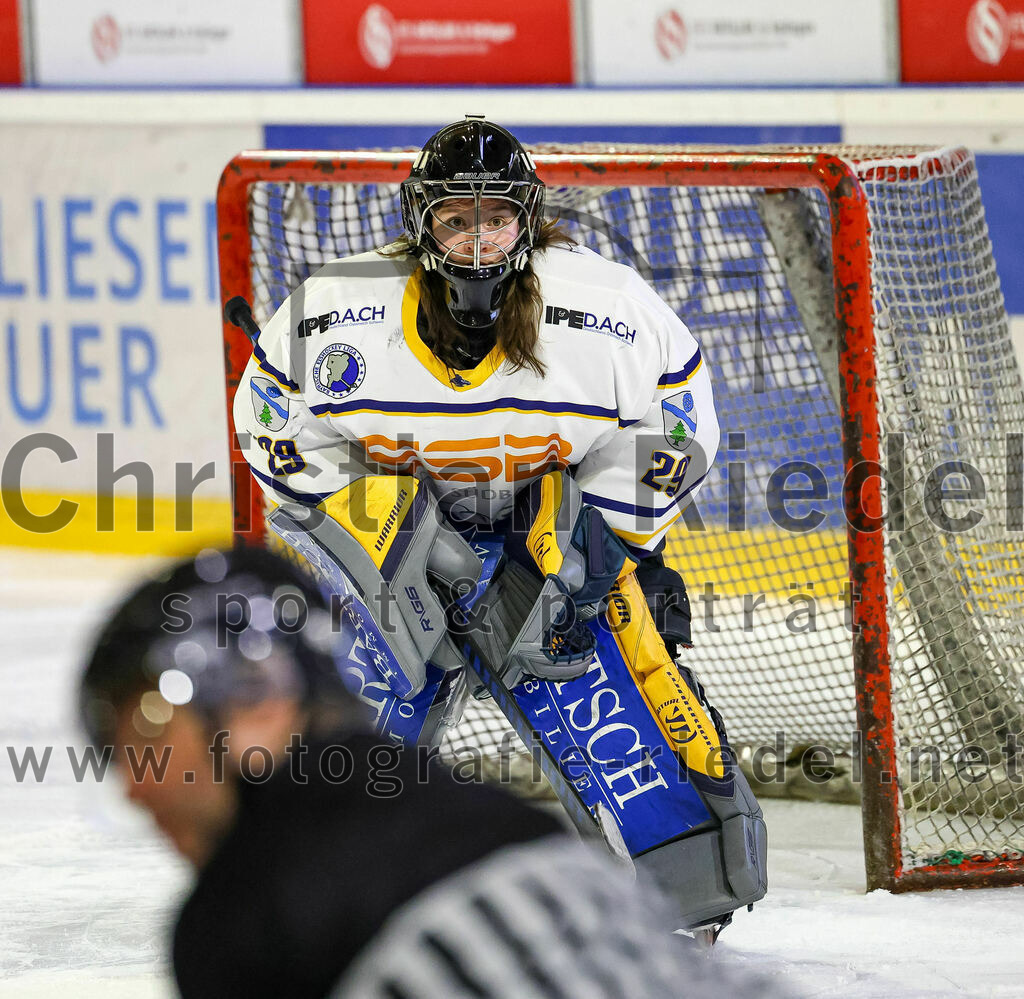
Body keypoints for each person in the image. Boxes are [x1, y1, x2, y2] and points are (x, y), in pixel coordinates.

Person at [232, 115, 767, 933]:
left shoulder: (606, 309)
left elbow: (684, 424)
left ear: (528, 220)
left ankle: (682, 885)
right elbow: (272, 428)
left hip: (543, 543)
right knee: (351, 713)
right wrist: (378, 535)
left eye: (494, 218)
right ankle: (313, 889)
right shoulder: (333, 314)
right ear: (421, 224)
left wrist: (603, 544)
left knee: (609, 702)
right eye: (455, 219)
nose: (476, 239)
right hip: (394, 550)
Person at [79, 546, 789, 999]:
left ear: (260, 700)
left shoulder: (244, 919)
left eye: (147, 727)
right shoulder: (503, 820)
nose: (132, 784)